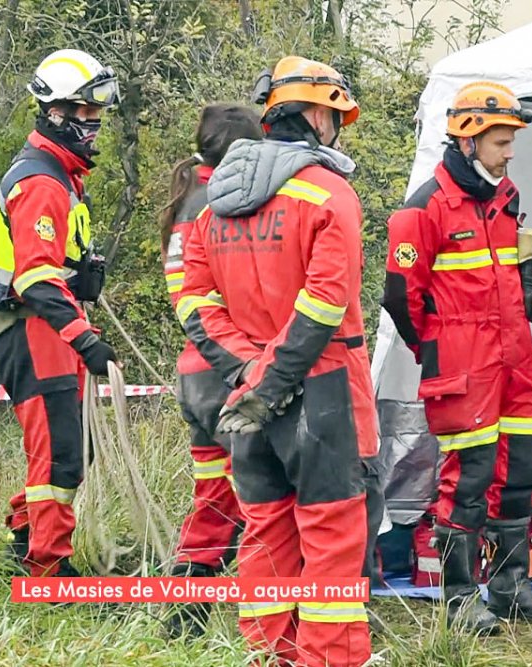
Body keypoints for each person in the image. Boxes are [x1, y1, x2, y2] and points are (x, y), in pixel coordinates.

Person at [177, 56, 374, 666]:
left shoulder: (212, 208)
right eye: (336, 116)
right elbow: (325, 302)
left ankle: (267, 657)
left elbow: (195, 303)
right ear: (318, 114)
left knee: (265, 532)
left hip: (244, 397)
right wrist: (275, 379)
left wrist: (248, 374)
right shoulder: (329, 193)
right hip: (323, 390)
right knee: (332, 538)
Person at [381, 81, 532, 633]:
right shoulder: (423, 209)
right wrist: (437, 349)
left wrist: (531, 272)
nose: (510, 153)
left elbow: (509, 267)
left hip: (515, 364)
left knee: (521, 472)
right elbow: (400, 298)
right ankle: (461, 598)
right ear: (467, 139)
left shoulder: (504, 198)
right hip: (464, 369)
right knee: (468, 480)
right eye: (501, 142)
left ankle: (510, 588)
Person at [0, 48, 119, 578]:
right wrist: (85, 339)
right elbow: (34, 278)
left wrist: (82, 282)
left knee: (74, 447)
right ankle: (47, 570)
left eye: (97, 112)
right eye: (86, 111)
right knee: (58, 453)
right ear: (56, 112)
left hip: (47, 325)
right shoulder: (42, 183)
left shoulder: (61, 174)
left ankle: (26, 531)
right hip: (28, 326)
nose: (94, 123)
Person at [158, 102, 262, 638]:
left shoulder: (188, 201)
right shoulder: (219, 205)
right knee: (264, 499)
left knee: (215, 499)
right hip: (226, 370)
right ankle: (270, 615)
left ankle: (185, 614)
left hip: (195, 373)